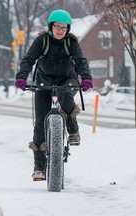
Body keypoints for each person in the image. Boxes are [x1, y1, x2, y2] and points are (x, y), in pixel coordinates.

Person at [15, 9, 93, 180]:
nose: (60, 30)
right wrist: (21, 77)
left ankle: (72, 124)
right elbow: (29, 59)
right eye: (57, 27)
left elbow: (80, 61)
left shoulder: (71, 43)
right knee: (40, 123)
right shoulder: (42, 41)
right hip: (44, 81)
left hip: (67, 79)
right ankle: (39, 167)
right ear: (51, 26)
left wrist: (86, 78)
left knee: (66, 95)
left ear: (68, 29)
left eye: (64, 28)